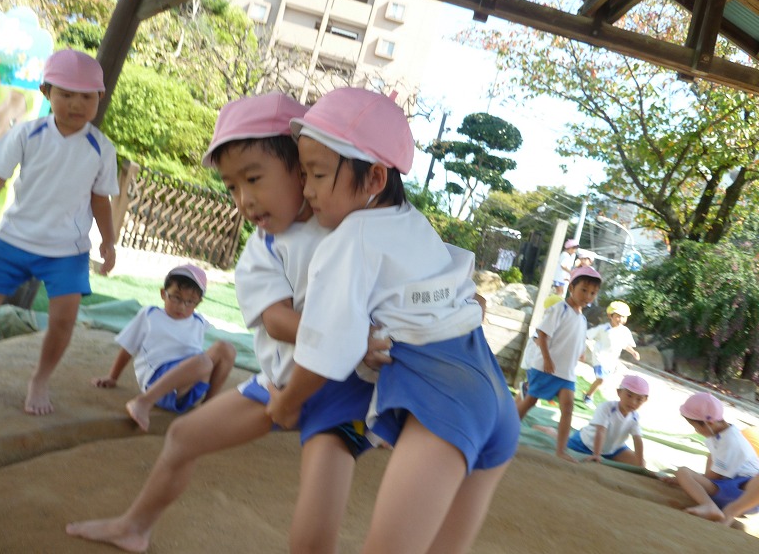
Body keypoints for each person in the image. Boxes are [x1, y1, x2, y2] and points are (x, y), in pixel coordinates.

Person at [66, 92, 380, 554]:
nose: (244, 200)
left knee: (317, 510)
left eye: (253, 179)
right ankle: (134, 527)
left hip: (346, 392)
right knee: (183, 436)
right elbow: (276, 321)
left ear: (305, 166)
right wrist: (351, 337)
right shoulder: (262, 251)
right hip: (280, 382)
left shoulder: (355, 222)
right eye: (232, 187)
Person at [266, 87, 520, 554]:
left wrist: (286, 403)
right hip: (495, 400)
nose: (307, 189)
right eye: (304, 175)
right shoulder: (415, 224)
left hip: (445, 407)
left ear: (375, 177)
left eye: (318, 174)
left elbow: (326, 349)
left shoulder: (349, 240)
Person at [0, 49, 118, 415]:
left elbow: (101, 201)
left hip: (67, 251)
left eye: (86, 96)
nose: (76, 104)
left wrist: (109, 242)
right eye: (66, 94)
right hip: (13, 240)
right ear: (47, 92)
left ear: (99, 97)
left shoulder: (102, 148)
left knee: (64, 321)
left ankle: (40, 379)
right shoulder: (27, 133)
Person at [92, 264, 236, 431]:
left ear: (198, 303)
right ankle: (143, 401)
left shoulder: (199, 322)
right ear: (163, 293)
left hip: (188, 386)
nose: (181, 306)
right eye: (176, 298)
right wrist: (112, 377)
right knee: (203, 362)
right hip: (157, 382)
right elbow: (128, 347)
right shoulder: (150, 315)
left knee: (226, 349)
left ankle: (207, 406)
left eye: (190, 302)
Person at [517, 265, 602, 462]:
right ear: (571, 287)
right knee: (530, 401)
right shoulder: (559, 309)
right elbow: (542, 334)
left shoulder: (582, 319)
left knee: (568, 408)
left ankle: (561, 450)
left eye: (592, 293)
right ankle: (506, 432)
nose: (588, 296)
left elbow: (576, 341)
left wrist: (580, 353)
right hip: (545, 368)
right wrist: (547, 359)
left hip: (566, 373)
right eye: (584, 290)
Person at [664, 392, 759, 526]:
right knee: (686, 472)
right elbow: (712, 474)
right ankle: (711, 505)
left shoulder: (729, 442)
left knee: (683, 472)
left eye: (696, 427)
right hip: (731, 488)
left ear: (709, 423)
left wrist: (689, 481)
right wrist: (687, 481)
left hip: (743, 493)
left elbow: (712, 477)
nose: (696, 431)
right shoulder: (720, 435)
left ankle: (709, 505)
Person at [567, 374, 648, 466]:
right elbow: (600, 431)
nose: (633, 402)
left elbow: (637, 439)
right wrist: (597, 454)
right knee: (560, 442)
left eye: (639, 399)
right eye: (629, 395)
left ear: (645, 400)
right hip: (585, 444)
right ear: (619, 392)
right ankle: (552, 431)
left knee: (641, 463)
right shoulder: (607, 407)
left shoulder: (635, 416)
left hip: (613, 450)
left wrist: (640, 465)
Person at [582, 300, 640, 406]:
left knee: (601, 381)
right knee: (601, 379)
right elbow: (587, 335)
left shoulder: (625, 332)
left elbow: (625, 345)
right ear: (610, 316)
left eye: (624, 317)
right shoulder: (603, 328)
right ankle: (588, 397)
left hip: (611, 361)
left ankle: (588, 393)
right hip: (599, 357)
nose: (621, 319)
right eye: (618, 316)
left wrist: (633, 352)